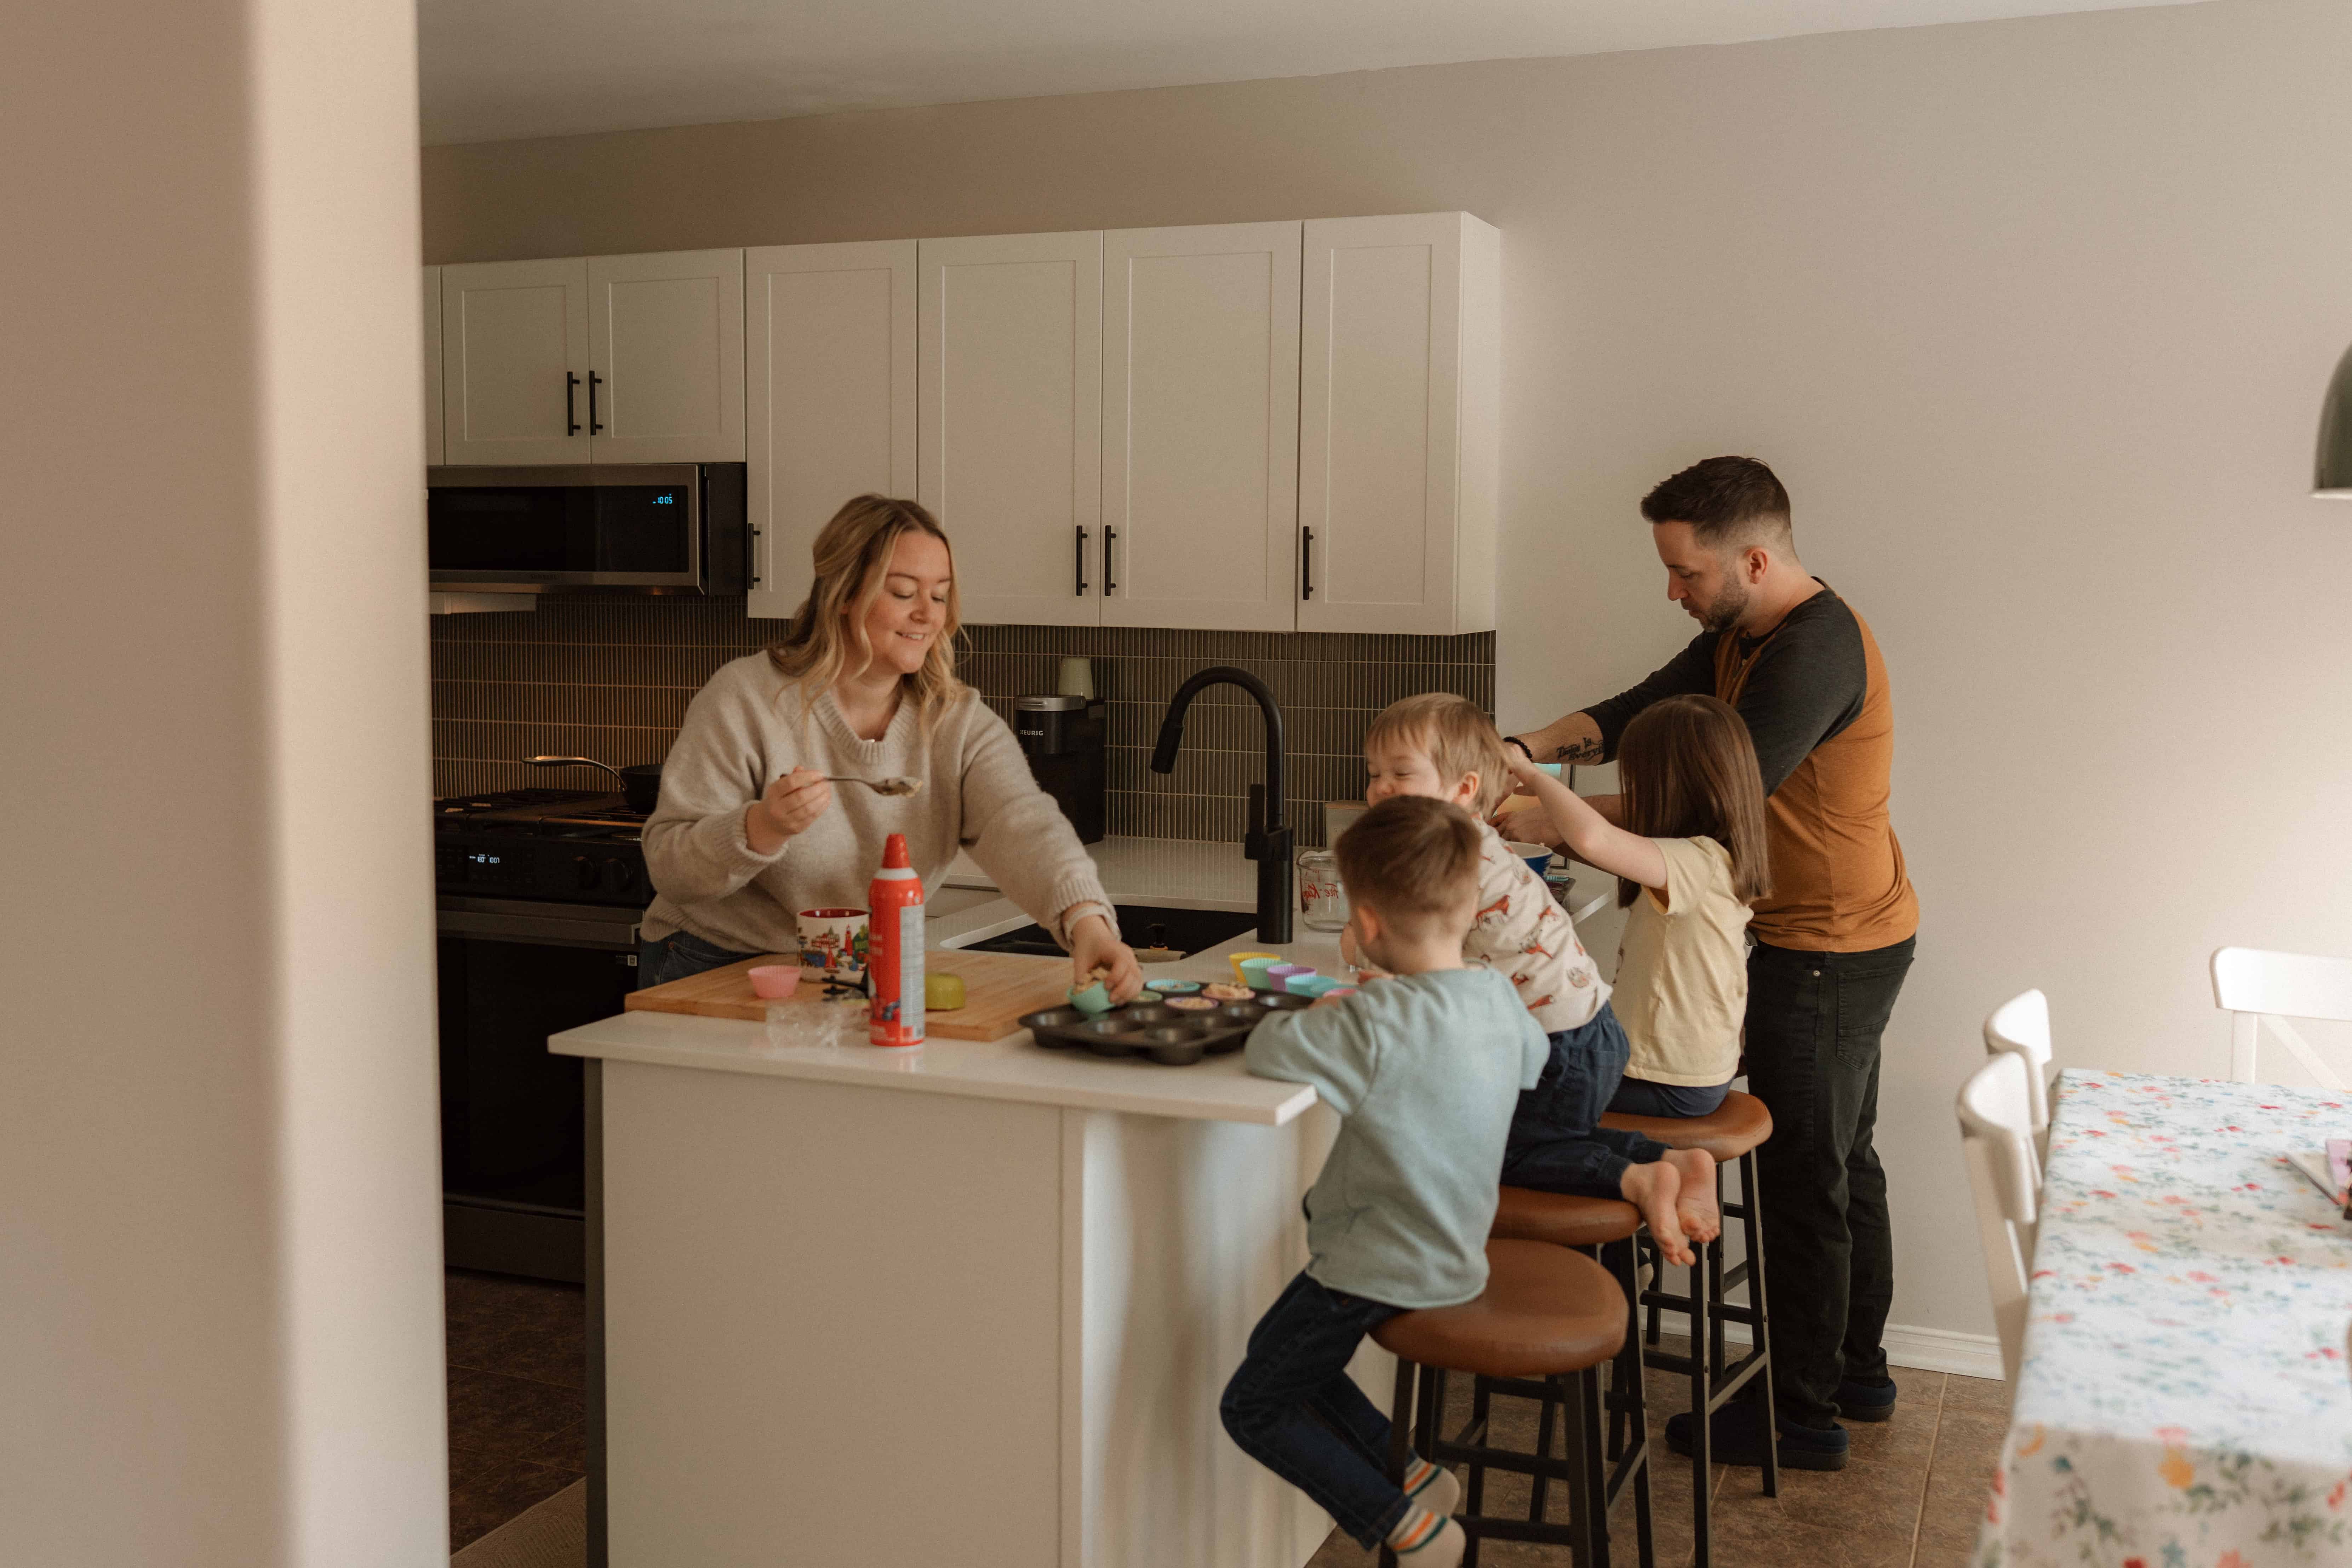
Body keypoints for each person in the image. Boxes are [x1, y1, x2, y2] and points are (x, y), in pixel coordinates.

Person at [1507, 455, 1918, 1471]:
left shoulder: (1814, 651)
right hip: (1825, 931)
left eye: (1684, 573)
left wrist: (1539, 813)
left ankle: (1802, 1414)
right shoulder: (1740, 629)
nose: (1670, 591)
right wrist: (1522, 743)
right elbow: (1639, 710)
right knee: (1838, 1159)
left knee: (1805, 1172)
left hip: (1828, 939)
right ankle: (1854, 1373)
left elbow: (1706, 811)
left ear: (1752, 557)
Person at [637, 494, 1141, 1003]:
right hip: (718, 962)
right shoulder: (746, 699)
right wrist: (762, 827)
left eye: (940, 596)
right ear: (844, 594)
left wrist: (1088, 923)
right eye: (904, 592)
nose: (928, 615)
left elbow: (1025, 825)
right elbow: (669, 865)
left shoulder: (955, 721)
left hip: (852, 968)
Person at [1220, 795, 1548, 1568]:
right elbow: (1533, 1059)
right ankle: (1409, 1471)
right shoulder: (1497, 998)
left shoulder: (1372, 1019)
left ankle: (1405, 1525)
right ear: (1469, 906)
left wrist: (1352, 994)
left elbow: (1270, 1047)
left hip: (1374, 1259)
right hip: (1454, 1246)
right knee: (1277, 1349)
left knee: (1251, 1405)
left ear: (1363, 924)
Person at [1359, 693, 1717, 1257]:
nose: (1380, 787)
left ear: (1464, 789)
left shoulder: (1445, 856)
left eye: (1401, 774)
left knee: (1497, 1153)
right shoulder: (1471, 842)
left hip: (1558, 1045)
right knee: (1547, 1139)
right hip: (1588, 1031)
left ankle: (1637, 1179)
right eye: (1374, 773)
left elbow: (1418, 950)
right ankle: (1666, 1158)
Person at [1501, 694, 1770, 1120]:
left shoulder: (1695, 861)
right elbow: (1605, 850)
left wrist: (1531, 774)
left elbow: (1595, 840)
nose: (1632, 793)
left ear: (1670, 785)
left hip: (1665, 1079)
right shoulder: (1716, 858)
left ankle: (1631, 1175)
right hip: (1688, 1071)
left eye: (1638, 781)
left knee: (1497, 1084)